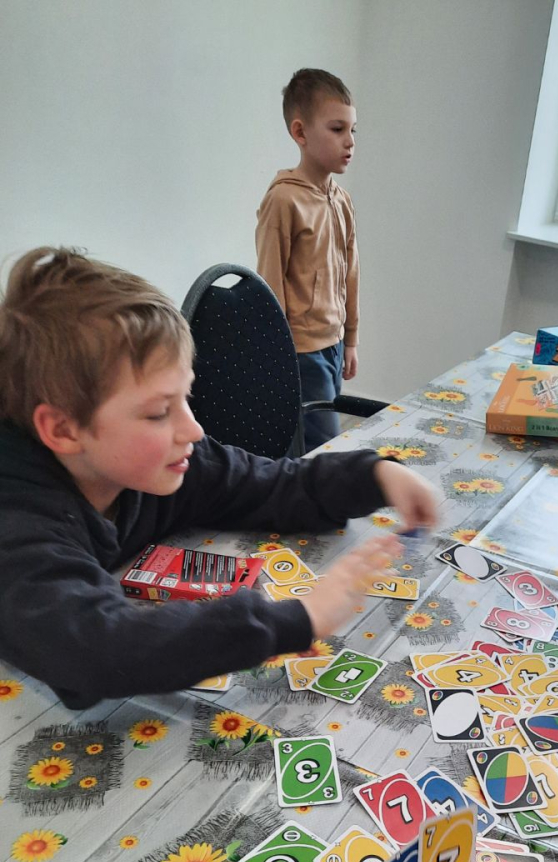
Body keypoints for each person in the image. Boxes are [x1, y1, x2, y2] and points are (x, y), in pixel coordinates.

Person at [0, 247, 437, 710]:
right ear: (63, 430)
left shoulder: (166, 462)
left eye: (186, 398)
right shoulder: (16, 525)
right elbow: (99, 650)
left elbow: (270, 484)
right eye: (158, 412)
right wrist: (299, 617)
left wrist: (374, 475)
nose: (193, 429)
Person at [256, 68, 359, 454]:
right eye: (337, 129)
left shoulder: (342, 201)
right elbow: (269, 286)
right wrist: (277, 358)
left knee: (316, 445)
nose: (349, 141)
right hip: (300, 352)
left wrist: (351, 339)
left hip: (334, 346)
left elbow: (351, 274)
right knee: (321, 449)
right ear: (300, 133)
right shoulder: (284, 201)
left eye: (353, 130)